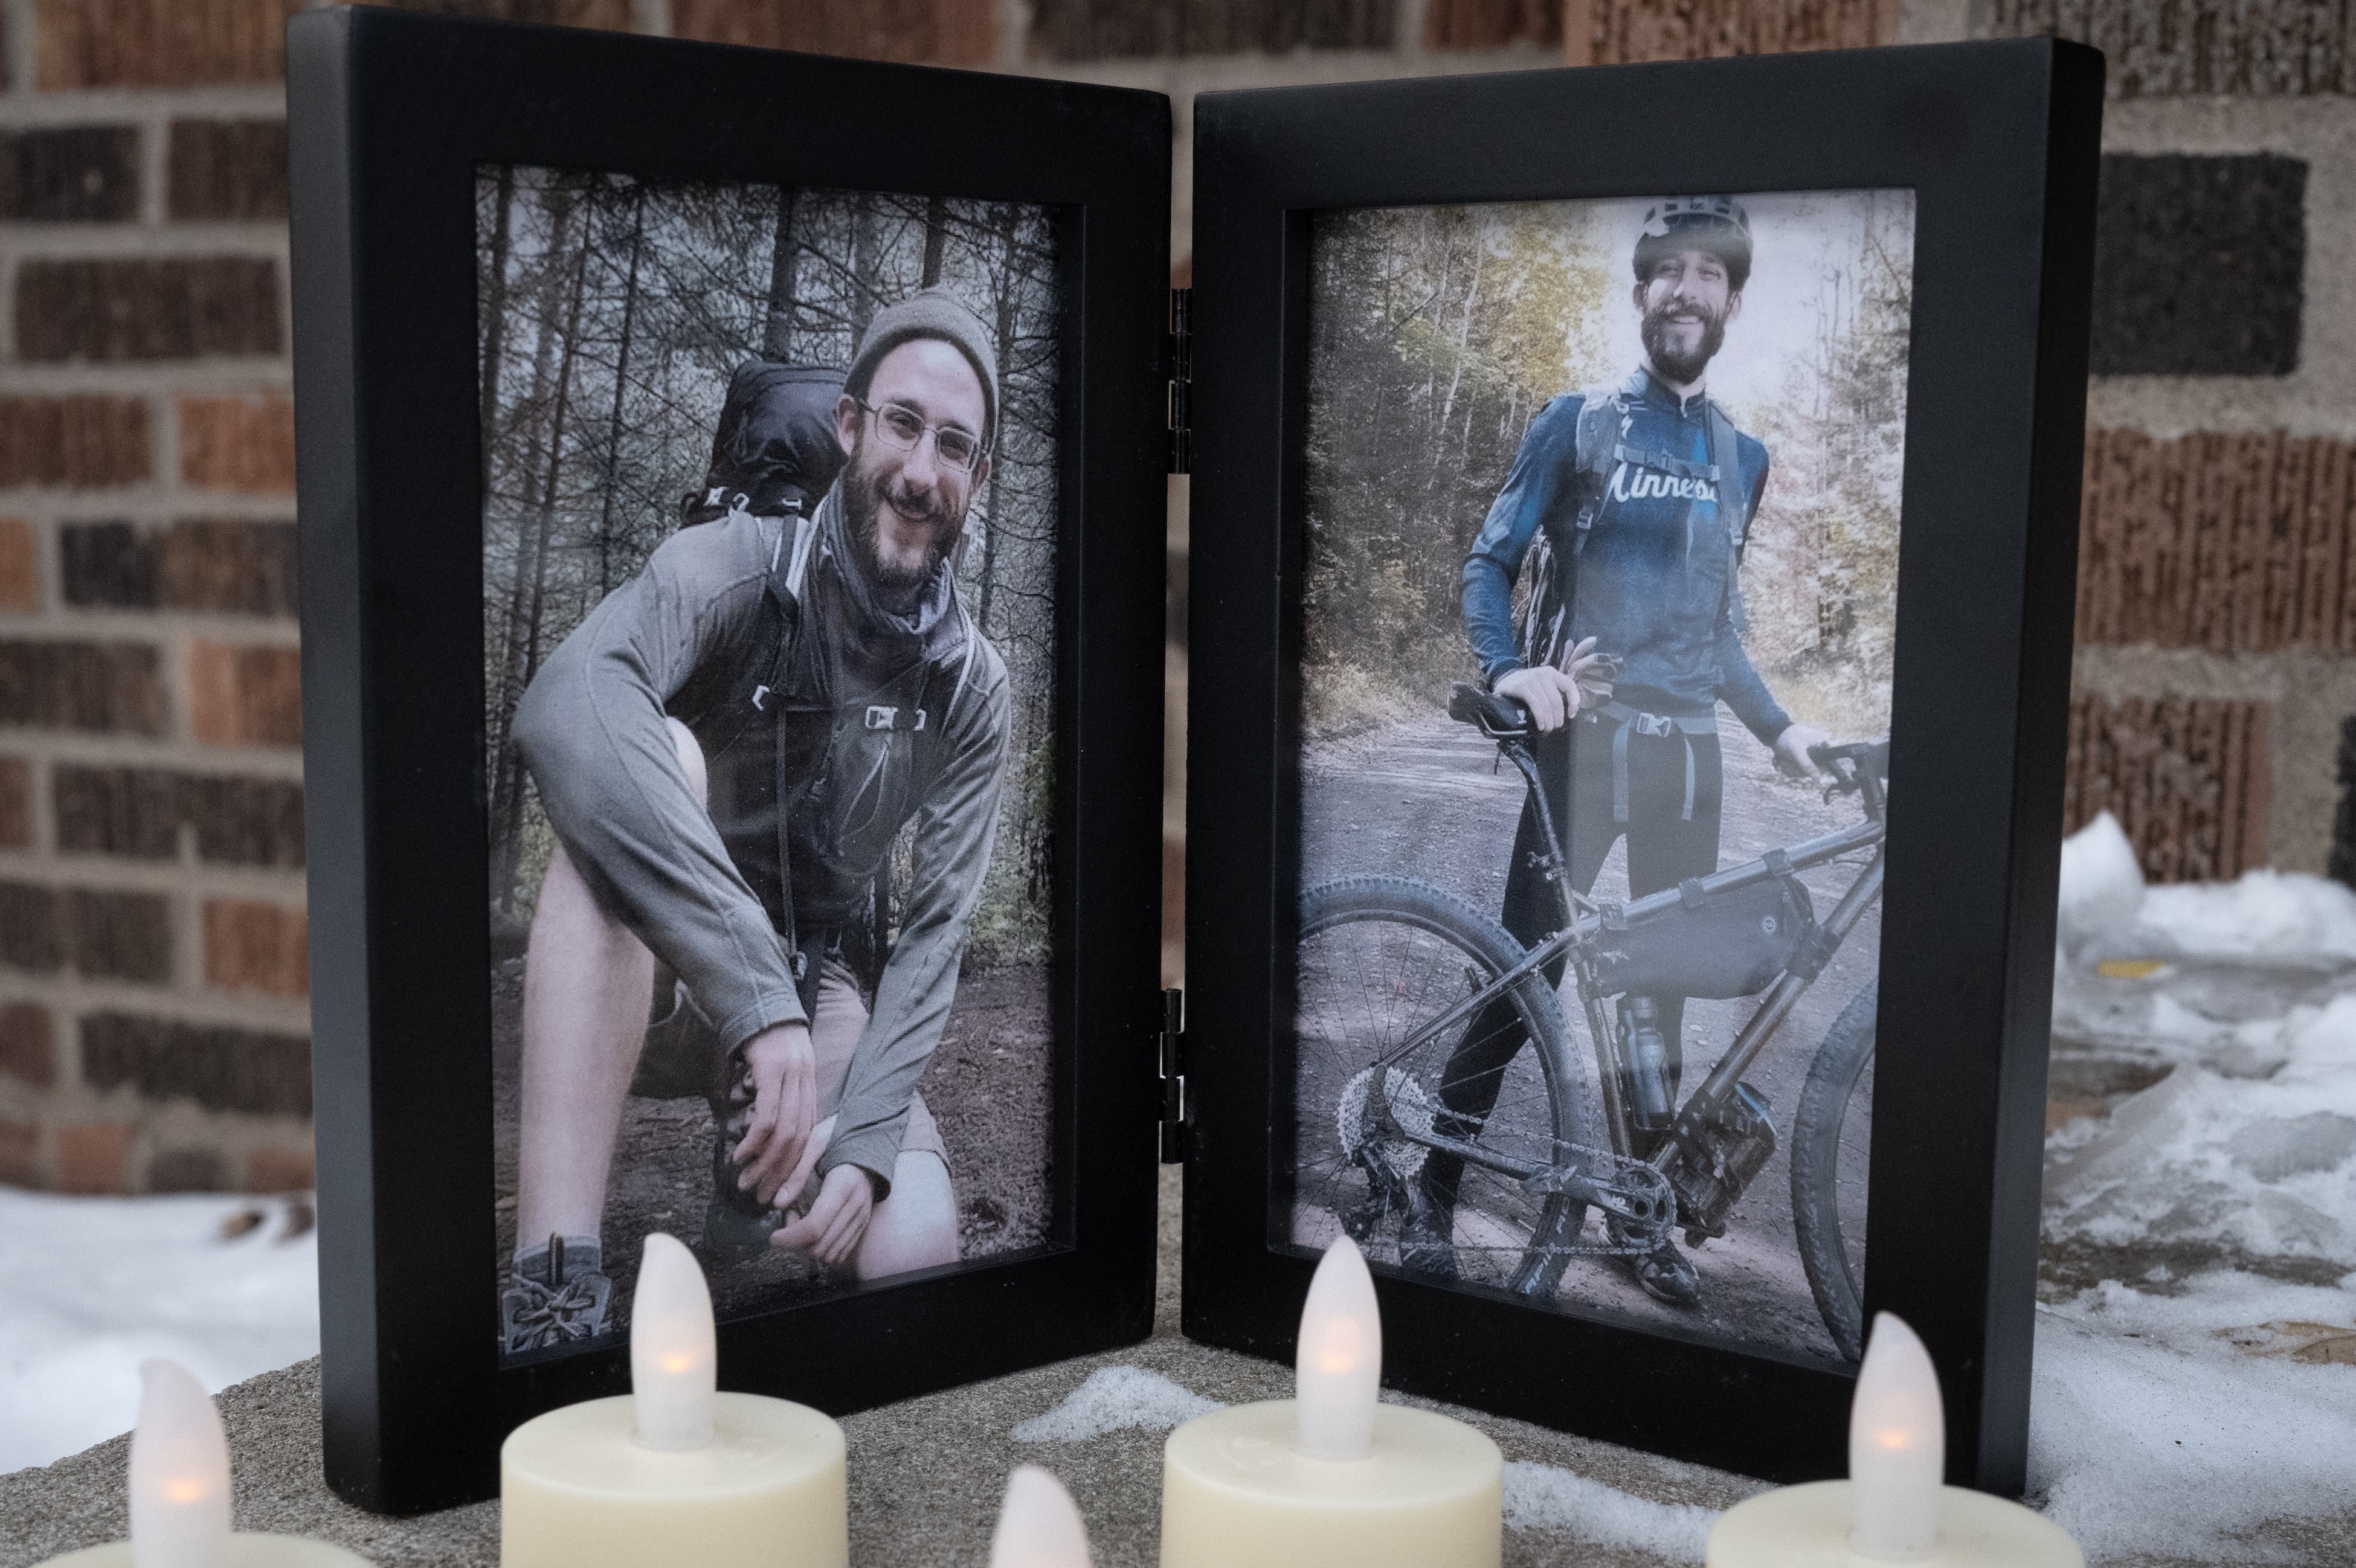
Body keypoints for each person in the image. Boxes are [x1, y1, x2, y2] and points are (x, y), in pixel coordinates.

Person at [498, 290, 1012, 1354]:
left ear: (978, 475)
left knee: (913, 1246)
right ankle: (555, 1278)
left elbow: (933, 937)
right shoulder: (727, 565)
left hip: (808, 975)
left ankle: (757, 1171)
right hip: (645, 962)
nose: (923, 471)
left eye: (955, 446)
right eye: (904, 424)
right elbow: (563, 704)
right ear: (851, 426)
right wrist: (749, 989)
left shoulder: (969, 681)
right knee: (666, 760)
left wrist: (866, 1149)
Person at [1424, 197, 1829, 1309]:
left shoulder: (1744, 457)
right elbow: (1487, 561)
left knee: (1655, 1000)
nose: (1686, 290)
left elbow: (1718, 638)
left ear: (1733, 302)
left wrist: (1786, 730)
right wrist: (1514, 670)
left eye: (1710, 275)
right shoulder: (1579, 422)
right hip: (1581, 751)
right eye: (1668, 271)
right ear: (1640, 291)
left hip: (1686, 762)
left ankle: (1640, 1213)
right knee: (1523, 976)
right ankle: (1432, 1180)